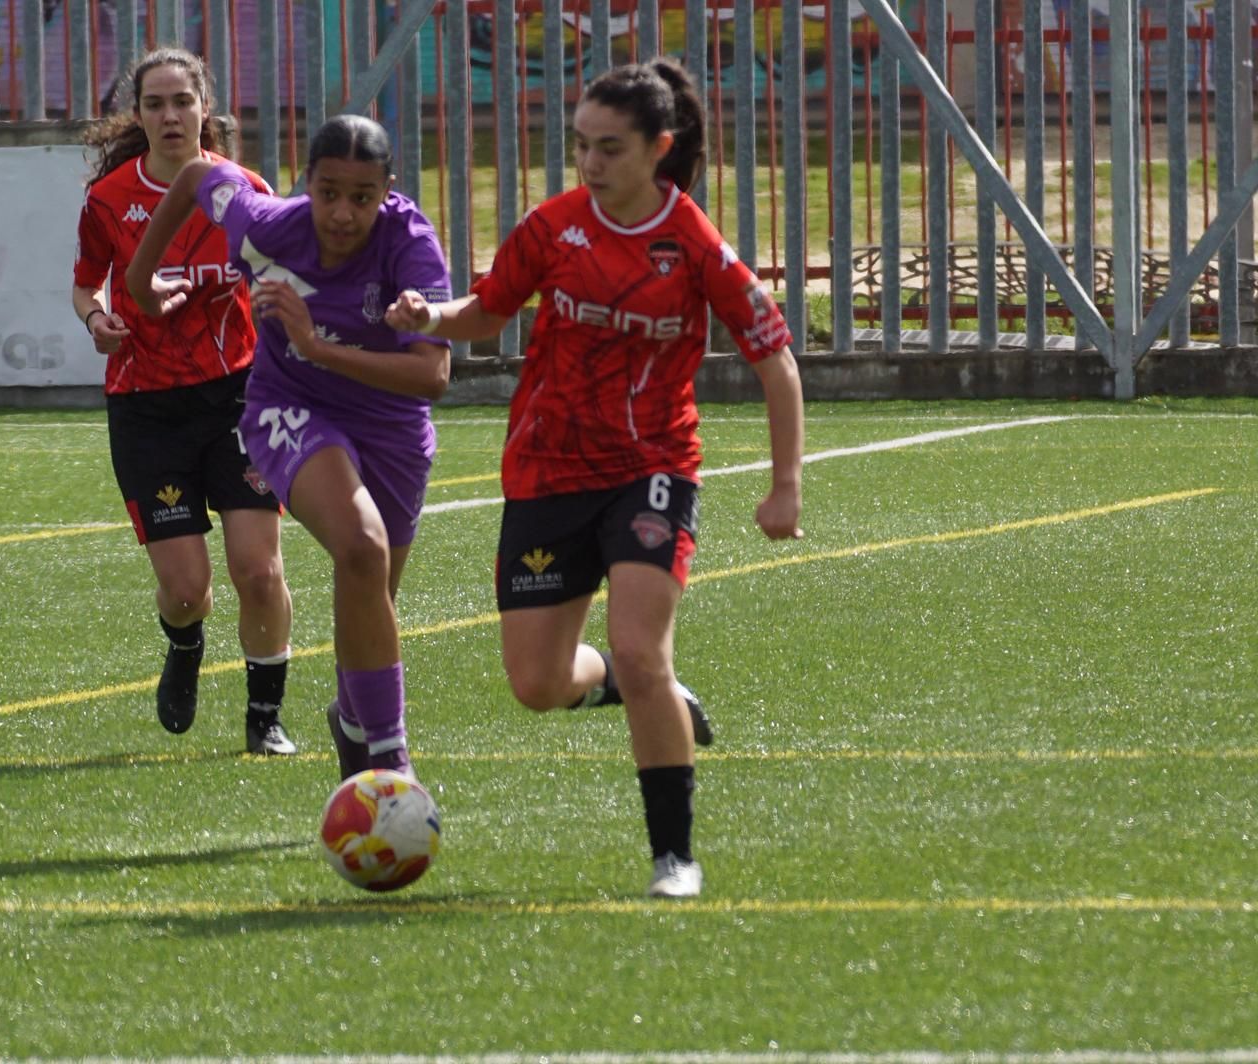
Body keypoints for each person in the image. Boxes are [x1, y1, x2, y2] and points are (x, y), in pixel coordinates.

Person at [386, 58, 805, 898]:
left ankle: (674, 856)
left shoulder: (694, 244)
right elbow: (489, 309)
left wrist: (785, 484)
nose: (590, 162)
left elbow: (777, 362)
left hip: (652, 467)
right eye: (581, 145)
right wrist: (432, 316)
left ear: (659, 148)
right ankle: (624, 684)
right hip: (546, 469)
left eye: (610, 147)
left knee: (644, 647)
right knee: (536, 685)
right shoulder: (553, 227)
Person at [127, 114, 452, 781]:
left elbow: (432, 376)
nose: (342, 213)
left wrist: (315, 346)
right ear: (306, 182)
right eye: (328, 192)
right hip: (291, 409)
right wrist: (139, 284)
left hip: (392, 426)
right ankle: (391, 760)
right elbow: (195, 176)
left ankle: (355, 720)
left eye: (362, 197)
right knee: (361, 547)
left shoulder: (411, 245)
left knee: (373, 593)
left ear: (388, 190)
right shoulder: (267, 224)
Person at [73, 48, 298, 755]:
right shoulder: (110, 199)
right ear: (138, 116)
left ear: (205, 109)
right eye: (155, 104)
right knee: (185, 591)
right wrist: (97, 318)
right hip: (148, 408)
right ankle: (185, 643)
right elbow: (86, 282)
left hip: (240, 398)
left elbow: (282, 278)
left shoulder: (245, 191)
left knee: (257, 569)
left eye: (182, 101)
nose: (170, 115)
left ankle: (265, 718)